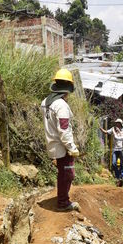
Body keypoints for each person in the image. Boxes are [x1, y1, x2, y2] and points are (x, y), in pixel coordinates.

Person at [41, 69, 80, 212]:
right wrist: (72, 148)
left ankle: (62, 198)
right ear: (68, 88)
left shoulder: (45, 102)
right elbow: (64, 130)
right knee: (68, 174)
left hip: (52, 143)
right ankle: (63, 202)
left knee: (63, 173)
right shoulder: (61, 105)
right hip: (62, 146)